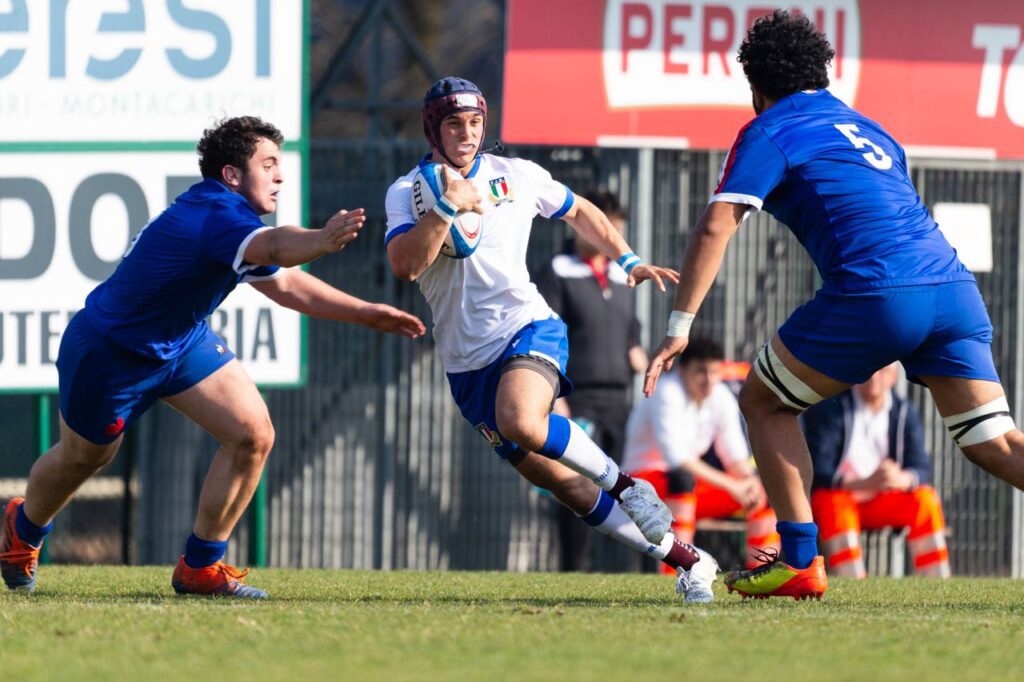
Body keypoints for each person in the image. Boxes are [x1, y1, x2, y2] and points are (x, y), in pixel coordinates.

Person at [644, 10, 1024, 600]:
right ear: (822, 72)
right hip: (954, 291)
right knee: (994, 442)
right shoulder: (872, 129)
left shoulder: (769, 128)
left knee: (764, 401)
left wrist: (679, 327)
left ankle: (798, 561)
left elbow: (717, 226)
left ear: (755, 89)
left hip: (877, 293)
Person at [0, 116, 426, 598]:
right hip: (110, 353)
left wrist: (366, 312)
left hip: (182, 342)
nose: (279, 176)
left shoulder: (231, 220)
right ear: (231, 175)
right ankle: (24, 527)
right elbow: (279, 245)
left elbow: (283, 284)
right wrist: (321, 240)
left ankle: (201, 566)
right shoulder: (214, 217)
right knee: (85, 457)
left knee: (252, 434)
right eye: (267, 164)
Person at [385, 76, 718, 601]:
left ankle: (630, 487)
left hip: (527, 326)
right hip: (466, 366)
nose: (467, 133)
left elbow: (581, 209)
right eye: (454, 123)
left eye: (475, 122)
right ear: (433, 127)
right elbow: (406, 265)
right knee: (564, 483)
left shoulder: (516, 175)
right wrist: (448, 207)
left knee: (523, 418)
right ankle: (689, 561)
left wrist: (626, 259)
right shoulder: (408, 192)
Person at [535, 191, 648, 571]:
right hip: (577, 397)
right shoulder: (557, 270)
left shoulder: (621, 275)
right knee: (578, 483)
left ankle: (631, 570)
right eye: (603, 227)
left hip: (620, 398)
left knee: (627, 487)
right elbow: (545, 332)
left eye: (615, 230)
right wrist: (553, 395)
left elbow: (631, 331)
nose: (607, 237)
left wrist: (640, 355)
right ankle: (572, 568)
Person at [623, 338, 779, 571]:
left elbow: (734, 457)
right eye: (701, 371)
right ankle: (677, 572)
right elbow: (678, 459)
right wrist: (732, 486)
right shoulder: (666, 392)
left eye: (715, 372)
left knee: (759, 490)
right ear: (683, 369)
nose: (709, 380)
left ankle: (762, 572)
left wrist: (749, 482)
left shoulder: (721, 396)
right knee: (681, 479)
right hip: (642, 488)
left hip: (688, 492)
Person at [804, 365, 950, 578]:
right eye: (869, 369)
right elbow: (818, 469)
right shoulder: (831, 407)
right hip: (842, 498)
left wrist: (901, 478)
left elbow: (920, 466)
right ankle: (851, 582)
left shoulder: (903, 411)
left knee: (925, 499)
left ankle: (937, 581)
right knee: (831, 502)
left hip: (884, 499)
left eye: (882, 371)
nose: (873, 378)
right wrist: (864, 483)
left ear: (894, 376)